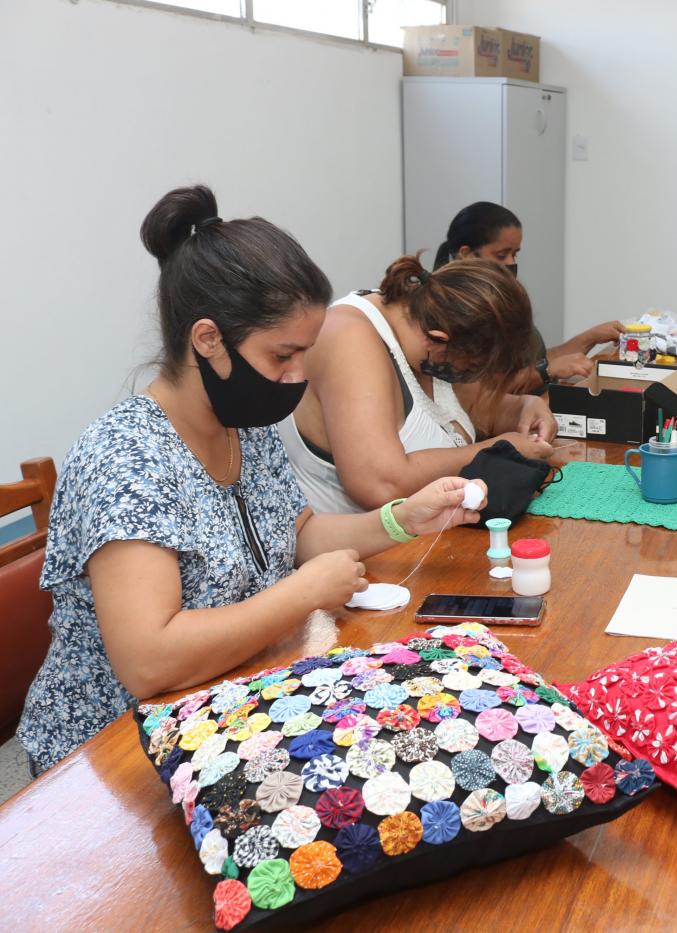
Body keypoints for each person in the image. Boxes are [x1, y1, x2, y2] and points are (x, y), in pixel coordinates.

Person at [17, 186, 486, 775]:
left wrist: (402, 518)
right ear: (209, 340)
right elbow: (149, 661)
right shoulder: (127, 459)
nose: (297, 378)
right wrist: (304, 593)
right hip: (112, 758)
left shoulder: (242, 422)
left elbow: (295, 533)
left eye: (305, 355)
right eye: (282, 356)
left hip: (227, 705)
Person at [280, 254, 557, 514]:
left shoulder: (425, 336)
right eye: (472, 369)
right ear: (440, 340)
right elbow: (380, 485)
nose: (471, 378)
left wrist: (525, 407)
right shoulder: (350, 340)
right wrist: (494, 450)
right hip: (352, 556)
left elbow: (474, 407)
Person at [435, 202, 623, 392]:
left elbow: (533, 362)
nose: (511, 263)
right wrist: (545, 372)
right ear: (466, 254)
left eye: (514, 254)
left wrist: (591, 337)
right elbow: (478, 395)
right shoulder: (455, 311)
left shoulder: (497, 300)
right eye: (501, 255)